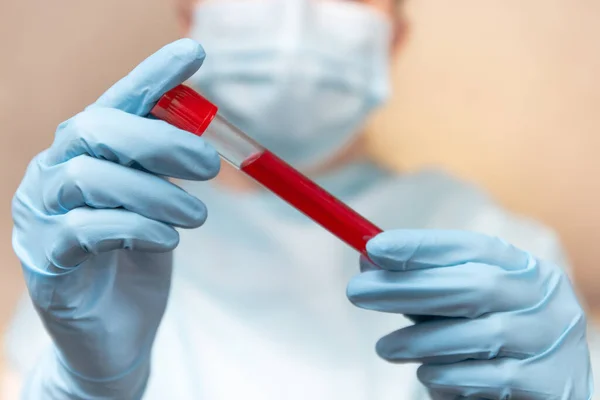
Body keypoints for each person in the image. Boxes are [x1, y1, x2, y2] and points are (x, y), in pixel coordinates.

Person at [4, 0, 594, 398]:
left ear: (394, 34)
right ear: (192, 12)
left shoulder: (505, 259)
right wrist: (82, 387)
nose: (296, 18)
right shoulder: (103, 249)